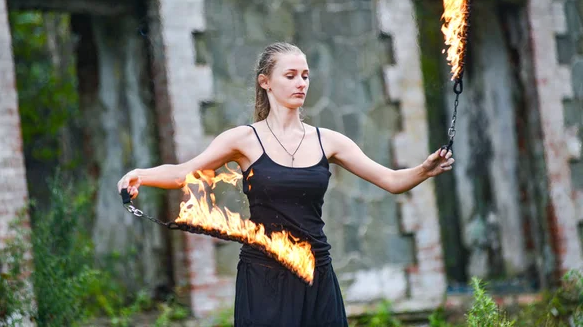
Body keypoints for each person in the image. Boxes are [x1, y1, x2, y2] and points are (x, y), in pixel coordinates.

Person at [117, 42, 454, 326]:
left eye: (305, 76)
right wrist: (140, 175)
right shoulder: (244, 140)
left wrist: (423, 170)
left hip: (316, 273)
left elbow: (391, 180)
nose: (301, 83)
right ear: (266, 82)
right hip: (264, 276)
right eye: (290, 75)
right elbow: (183, 173)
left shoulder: (330, 141)